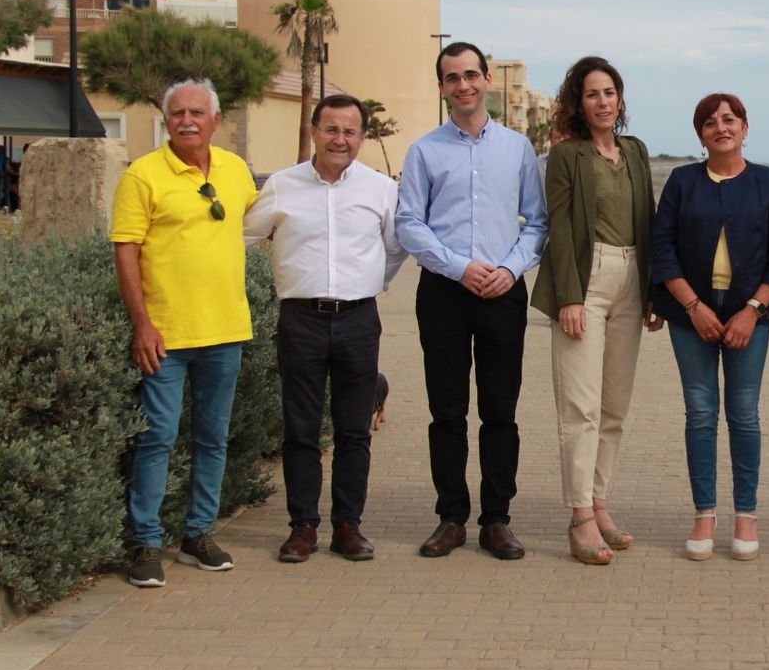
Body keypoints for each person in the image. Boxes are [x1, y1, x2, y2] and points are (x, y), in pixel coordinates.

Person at [397, 41, 547, 562]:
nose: (462, 85)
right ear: (441, 87)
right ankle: (451, 517)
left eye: (470, 75)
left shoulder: (518, 149)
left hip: (504, 293)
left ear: (486, 80)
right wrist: (459, 267)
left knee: (500, 411)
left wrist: (508, 269)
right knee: (446, 412)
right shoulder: (423, 151)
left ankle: (497, 520)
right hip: (443, 292)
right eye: (451, 77)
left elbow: (538, 221)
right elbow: (409, 223)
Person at [244, 94, 406, 564]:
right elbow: (244, 235)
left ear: (362, 137)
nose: (341, 139)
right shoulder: (281, 185)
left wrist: (373, 283)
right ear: (315, 131)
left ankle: (347, 526)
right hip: (301, 320)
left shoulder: (380, 189)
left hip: (358, 319)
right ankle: (302, 527)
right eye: (331, 129)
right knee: (302, 429)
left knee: (354, 430)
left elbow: (396, 247)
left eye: (350, 131)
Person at [111, 78, 257, 588]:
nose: (188, 120)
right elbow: (125, 250)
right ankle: (145, 543)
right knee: (157, 439)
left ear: (216, 121)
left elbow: (268, 221)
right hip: (165, 338)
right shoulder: (143, 176)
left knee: (213, 438)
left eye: (198, 112)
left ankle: (198, 534)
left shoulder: (236, 171)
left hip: (225, 330)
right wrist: (142, 325)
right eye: (177, 113)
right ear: (166, 120)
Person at [651, 94, 769, 561]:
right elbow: (663, 248)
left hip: (749, 317)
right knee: (700, 413)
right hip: (689, 315)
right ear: (700, 135)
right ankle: (704, 515)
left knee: (744, 414)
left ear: (745, 127)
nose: (721, 128)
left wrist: (753, 310)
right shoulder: (682, 181)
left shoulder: (768, 183)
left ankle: (747, 516)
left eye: (729, 120)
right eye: (710, 123)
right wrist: (691, 306)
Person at [532, 57, 661, 565]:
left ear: (621, 98)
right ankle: (580, 515)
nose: (603, 101)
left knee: (613, 407)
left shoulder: (635, 151)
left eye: (610, 92)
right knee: (579, 407)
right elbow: (558, 227)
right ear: (578, 102)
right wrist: (568, 295)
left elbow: (648, 221)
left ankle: (600, 502)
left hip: (632, 279)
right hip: (586, 281)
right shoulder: (567, 155)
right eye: (592, 94)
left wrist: (653, 290)